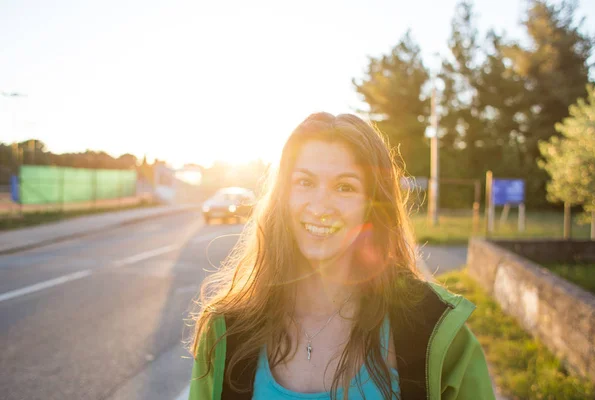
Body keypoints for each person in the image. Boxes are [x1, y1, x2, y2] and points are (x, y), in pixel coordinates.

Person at [187, 112, 495, 400]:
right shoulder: (225, 330)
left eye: (345, 187)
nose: (320, 206)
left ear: (371, 206)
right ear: (282, 197)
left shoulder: (439, 333)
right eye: (305, 182)